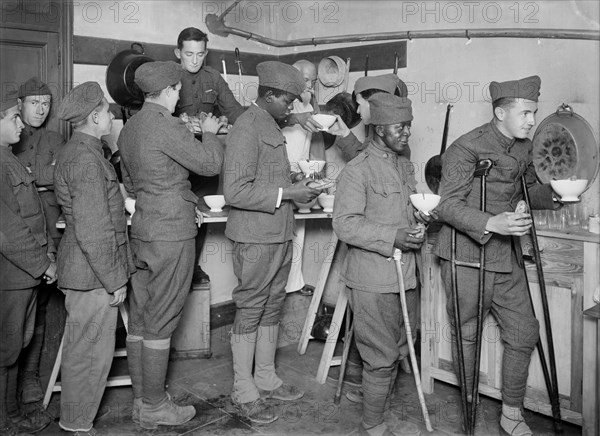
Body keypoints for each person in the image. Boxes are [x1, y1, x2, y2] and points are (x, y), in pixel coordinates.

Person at [435, 75, 557, 435]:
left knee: (523, 332)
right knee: (467, 335)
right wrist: (492, 222)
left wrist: (556, 194)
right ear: (501, 112)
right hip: (465, 256)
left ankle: (511, 413)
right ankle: (469, 412)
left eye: (534, 113)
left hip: (506, 257)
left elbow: (530, 187)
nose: (532, 121)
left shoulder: (524, 146)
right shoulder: (465, 148)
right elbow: (446, 206)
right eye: (525, 113)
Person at [118, 60, 225, 430]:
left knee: (142, 319)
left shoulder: (129, 129)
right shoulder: (168, 125)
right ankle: (155, 405)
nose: (180, 94)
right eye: (178, 89)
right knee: (162, 322)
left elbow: (131, 187)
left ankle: (141, 400)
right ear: (166, 92)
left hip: (143, 228)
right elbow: (210, 165)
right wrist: (209, 131)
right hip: (172, 234)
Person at [224, 61, 322, 424]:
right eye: (289, 101)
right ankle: (242, 388)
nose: (292, 108)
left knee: (271, 305)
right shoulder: (247, 127)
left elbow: (267, 178)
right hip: (254, 236)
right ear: (270, 95)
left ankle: (264, 376)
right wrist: (288, 192)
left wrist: (299, 186)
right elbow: (235, 190)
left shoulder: (270, 123)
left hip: (279, 231)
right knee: (251, 306)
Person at [332, 93, 424, 436]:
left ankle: (377, 408)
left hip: (406, 275)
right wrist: (392, 237)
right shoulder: (358, 171)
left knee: (402, 346)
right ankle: (373, 425)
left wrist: (420, 217)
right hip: (372, 280)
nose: (406, 133)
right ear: (379, 128)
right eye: (400, 127)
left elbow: (406, 208)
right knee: (381, 355)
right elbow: (344, 224)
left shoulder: (403, 165)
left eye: (409, 126)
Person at [52, 82, 134, 435]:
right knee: (88, 357)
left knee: (85, 352)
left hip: (86, 270)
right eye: (106, 108)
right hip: (92, 274)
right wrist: (114, 280)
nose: (112, 114)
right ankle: (75, 424)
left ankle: (75, 421)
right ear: (94, 115)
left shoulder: (81, 152)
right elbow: (94, 230)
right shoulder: (86, 160)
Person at [0, 89, 56, 435]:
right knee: (6, 348)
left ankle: (14, 413)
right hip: (12, 274)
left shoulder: (9, 158)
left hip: (24, 273)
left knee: (16, 344)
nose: (20, 124)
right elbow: (9, 232)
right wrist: (43, 264)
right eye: (12, 118)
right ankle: (6, 421)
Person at [174, 27, 245, 286]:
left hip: (205, 158)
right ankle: (178, 269)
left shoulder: (213, 78)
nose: (194, 60)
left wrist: (259, 119)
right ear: (178, 52)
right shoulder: (168, 78)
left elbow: (234, 110)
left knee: (201, 214)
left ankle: (192, 267)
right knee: (178, 215)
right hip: (175, 159)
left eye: (200, 54)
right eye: (188, 54)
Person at [12, 77, 65, 406]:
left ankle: (30, 378)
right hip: (17, 238)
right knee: (16, 313)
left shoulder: (55, 138)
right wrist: (40, 178)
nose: (40, 110)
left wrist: (35, 176)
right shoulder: (9, 138)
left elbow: (61, 178)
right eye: (34, 103)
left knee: (42, 310)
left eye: (45, 104)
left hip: (51, 233)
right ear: (19, 105)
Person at [282, 59, 326, 295]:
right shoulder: (282, 103)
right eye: (306, 80)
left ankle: (295, 283)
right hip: (278, 171)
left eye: (313, 80)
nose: (309, 85)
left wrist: (317, 173)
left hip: (301, 170)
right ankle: (278, 287)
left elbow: (315, 143)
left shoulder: (311, 105)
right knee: (281, 229)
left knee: (300, 227)